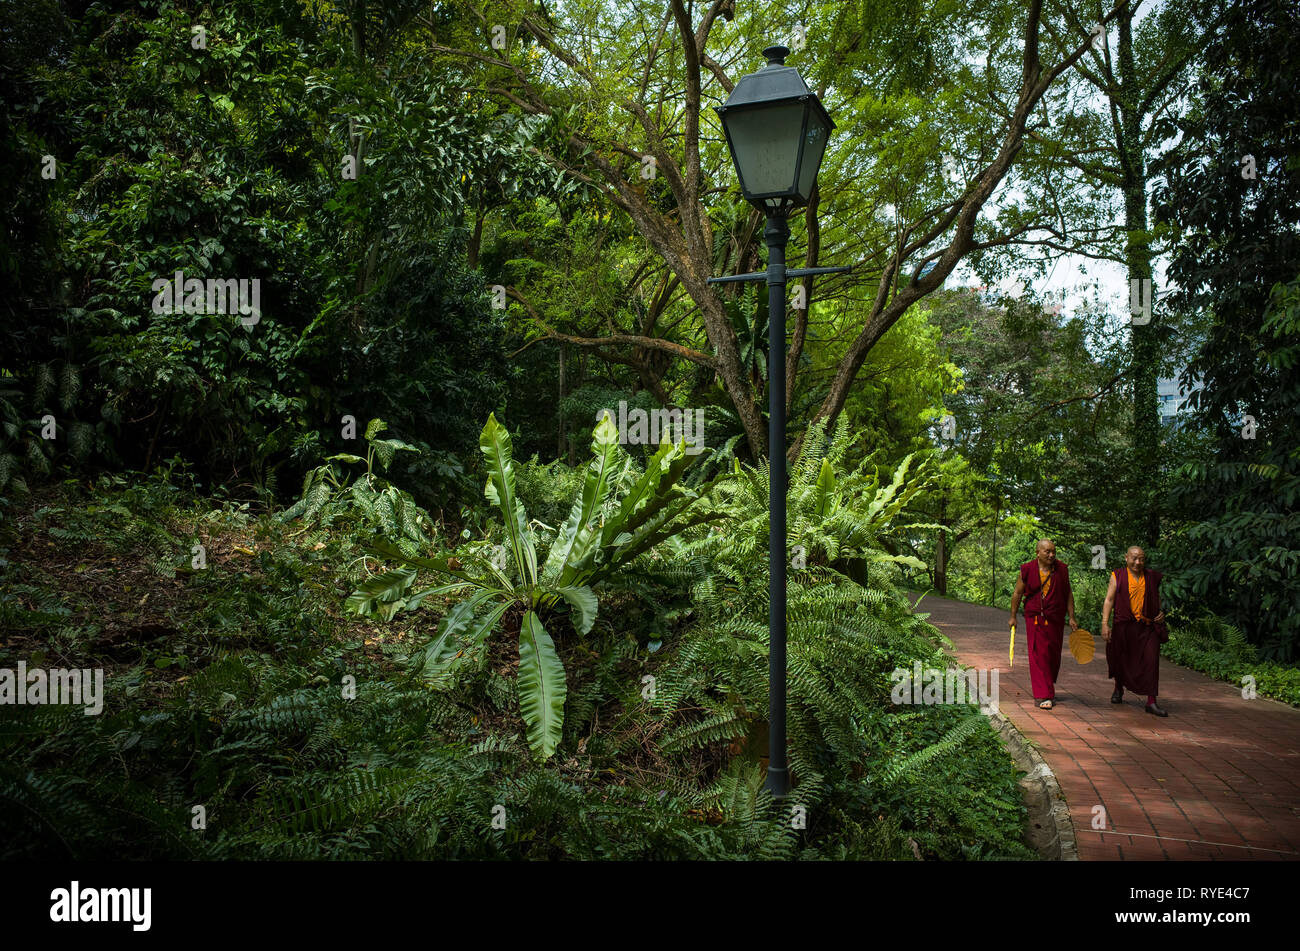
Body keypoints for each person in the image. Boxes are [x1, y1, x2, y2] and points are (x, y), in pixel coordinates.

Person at [1009, 539, 1079, 710]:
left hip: (1055, 617)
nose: (1051, 555)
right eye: (1047, 551)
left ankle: (1047, 686)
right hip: (1035, 617)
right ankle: (1043, 694)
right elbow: (1018, 593)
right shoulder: (1027, 569)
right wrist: (1013, 616)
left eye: (1053, 551)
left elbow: (1068, 593)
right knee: (1039, 654)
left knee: (1053, 654)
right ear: (1037, 552)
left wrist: (1071, 617)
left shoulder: (1062, 569)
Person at [1101, 546, 1168, 716]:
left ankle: (1151, 701)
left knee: (1152, 661)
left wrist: (1161, 613)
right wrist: (1104, 623)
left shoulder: (1151, 576)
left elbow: (1155, 599)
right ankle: (1118, 688)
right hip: (1124, 626)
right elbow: (1109, 599)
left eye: (1141, 559)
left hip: (1147, 627)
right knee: (1120, 658)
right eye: (1134, 558)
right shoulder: (1118, 575)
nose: (1138, 562)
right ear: (1126, 558)